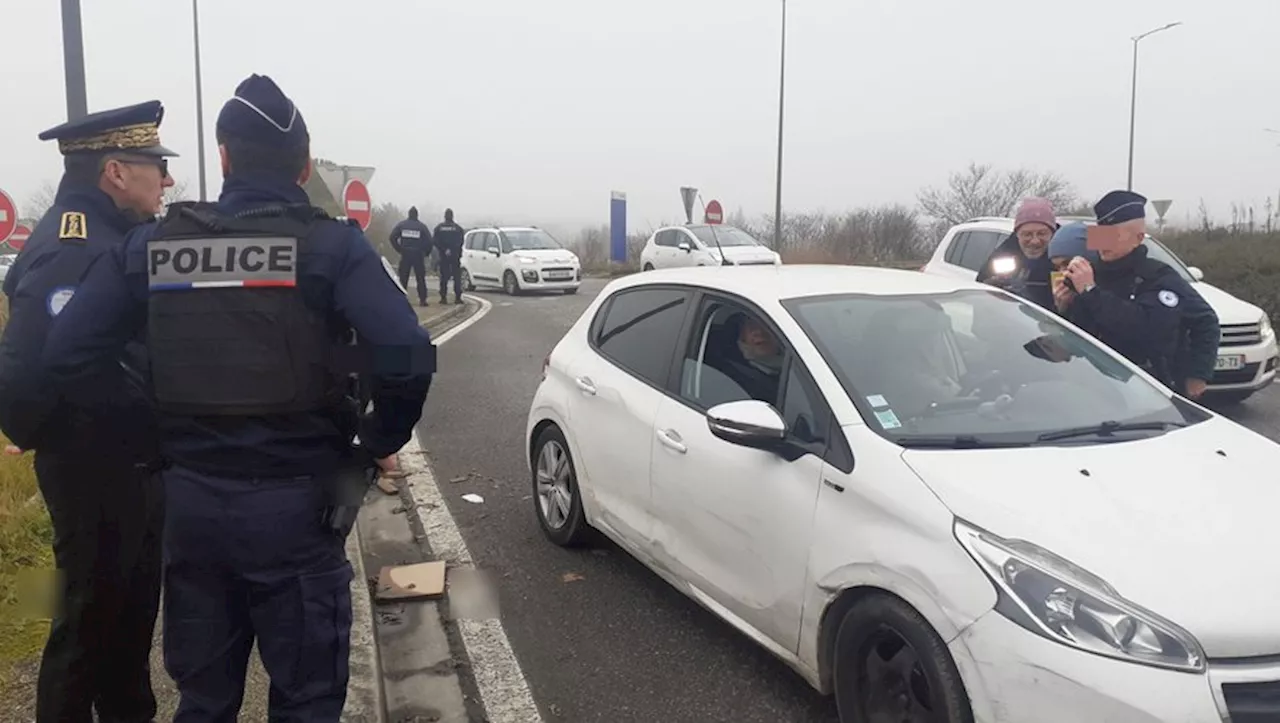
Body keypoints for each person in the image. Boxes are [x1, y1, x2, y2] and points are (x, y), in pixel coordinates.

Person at [41, 74, 435, 722]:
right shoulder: (331, 246)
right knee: (306, 701)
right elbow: (407, 354)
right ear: (305, 166)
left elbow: (66, 355)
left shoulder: (154, 245)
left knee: (203, 699)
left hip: (192, 506)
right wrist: (372, 445)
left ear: (222, 155)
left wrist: (149, 435)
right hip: (300, 510)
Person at [0, 101, 175, 723]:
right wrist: (64, 434)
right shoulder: (80, 247)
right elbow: (36, 366)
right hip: (100, 462)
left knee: (123, 623)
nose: (167, 179)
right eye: (157, 164)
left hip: (116, 459)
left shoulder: (105, 236)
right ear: (117, 171)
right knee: (90, 625)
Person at [1054, 190, 1219, 398]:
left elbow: (1146, 327)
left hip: (1148, 386)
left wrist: (1198, 374)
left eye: (1114, 235)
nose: (1105, 243)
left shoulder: (1158, 277)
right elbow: (1079, 336)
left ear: (1138, 238)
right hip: (1093, 384)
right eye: (1101, 235)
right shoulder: (1089, 274)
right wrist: (1063, 309)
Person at [976, 197, 1058, 310]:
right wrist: (991, 290)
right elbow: (979, 296)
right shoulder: (1003, 255)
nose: (1035, 241)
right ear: (1017, 235)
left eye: (1042, 234)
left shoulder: (1065, 258)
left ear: (1053, 234)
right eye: (1027, 234)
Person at [389, 206, 432, 307]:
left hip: (405, 254)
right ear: (417, 215)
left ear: (408, 214)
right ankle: (422, 300)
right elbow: (430, 241)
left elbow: (392, 237)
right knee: (420, 278)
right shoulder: (422, 227)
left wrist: (399, 249)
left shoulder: (402, 225)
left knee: (403, 278)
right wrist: (426, 253)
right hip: (418, 255)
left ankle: (401, 299)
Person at [433, 208, 465, 304]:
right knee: (457, 277)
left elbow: (435, 241)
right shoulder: (458, 229)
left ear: (445, 216)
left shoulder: (439, 228)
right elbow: (460, 242)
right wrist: (453, 250)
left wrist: (444, 249)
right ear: (452, 216)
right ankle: (458, 297)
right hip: (455, 256)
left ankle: (443, 298)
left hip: (443, 256)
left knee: (444, 277)